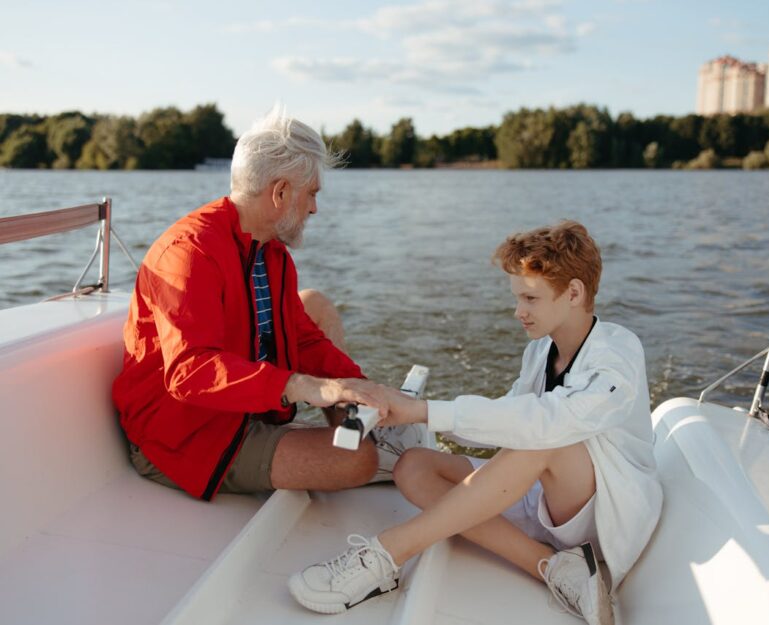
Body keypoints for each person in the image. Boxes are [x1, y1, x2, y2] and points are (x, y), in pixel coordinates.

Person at [288, 221, 663, 625]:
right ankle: (553, 567)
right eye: (517, 297)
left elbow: (549, 422)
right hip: (542, 496)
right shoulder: (541, 352)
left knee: (547, 438)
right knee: (413, 466)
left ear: (573, 293)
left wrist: (426, 410)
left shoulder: (618, 351)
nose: (518, 311)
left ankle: (386, 555)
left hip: (601, 515)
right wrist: (403, 409)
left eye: (530, 298)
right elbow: (508, 415)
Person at [113, 108, 415, 501]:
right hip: (184, 434)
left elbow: (303, 338)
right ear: (281, 192)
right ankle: (363, 445)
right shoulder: (189, 252)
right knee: (357, 461)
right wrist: (301, 386)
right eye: (312, 194)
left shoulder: (271, 252)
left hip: (241, 408)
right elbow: (190, 371)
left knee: (315, 306)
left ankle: (362, 424)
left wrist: (358, 386)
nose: (313, 209)